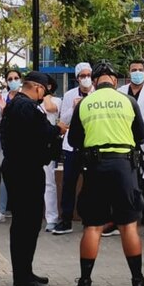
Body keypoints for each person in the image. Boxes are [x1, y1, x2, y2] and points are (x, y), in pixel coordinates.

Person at [68, 61, 144, 286]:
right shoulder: (129, 101)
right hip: (124, 167)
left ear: (94, 81)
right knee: (128, 225)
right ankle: (137, 282)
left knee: (92, 226)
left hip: (94, 167)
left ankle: (84, 283)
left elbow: (73, 140)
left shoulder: (84, 104)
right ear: (114, 81)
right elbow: (141, 137)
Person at [0, 71, 65, 286]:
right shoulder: (26, 107)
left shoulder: (16, 104)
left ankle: (25, 272)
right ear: (37, 88)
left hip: (20, 168)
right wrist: (58, 130)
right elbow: (42, 132)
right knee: (26, 224)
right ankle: (22, 279)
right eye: (44, 92)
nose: (44, 96)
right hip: (24, 171)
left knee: (26, 223)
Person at [118, 57, 144, 233]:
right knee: (125, 186)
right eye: (133, 70)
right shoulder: (120, 92)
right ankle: (124, 223)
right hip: (125, 143)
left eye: (140, 70)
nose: (137, 73)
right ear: (129, 73)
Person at [53, 62, 94, 235]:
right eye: (82, 76)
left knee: (91, 184)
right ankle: (66, 219)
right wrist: (74, 108)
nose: (85, 79)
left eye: (88, 75)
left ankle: (90, 219)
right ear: (77, 78)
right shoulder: (69, 95)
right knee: (69, 183)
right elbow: (63, 121)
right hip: (72, 146)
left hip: (91, 145)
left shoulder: (97, 93)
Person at [0, 68, 23, 224]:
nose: (13, 81)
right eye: (10, 79)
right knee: (4, 175)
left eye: (16, 78)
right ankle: (1, 210)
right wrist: (2, 110)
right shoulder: (2, 98)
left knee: (22, 176)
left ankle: (19, 211)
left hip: (22, 142)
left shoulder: (25, 97)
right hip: (5, 141)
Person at [42, 76, 62, 232]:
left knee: (49, 183)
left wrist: (46, 96)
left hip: (47, 146)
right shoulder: (30, 102)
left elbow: (49, 108)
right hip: (31, 146)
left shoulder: (56, 101)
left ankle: (52, 217)